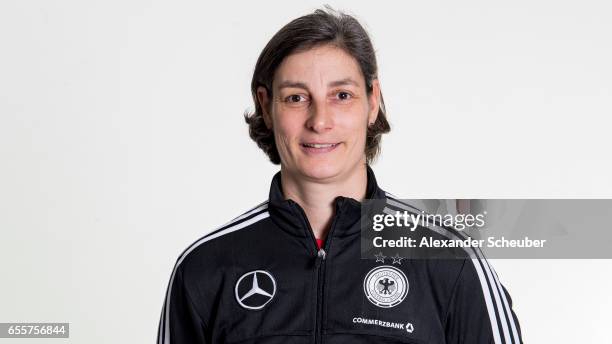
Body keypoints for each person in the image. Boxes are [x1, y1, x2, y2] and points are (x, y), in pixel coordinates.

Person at [157, 7, 522, 344]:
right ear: (267, 107)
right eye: (297, 98)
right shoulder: (205, 268)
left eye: (342, 95)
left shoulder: (449, 261)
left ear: (372, 100)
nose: (320, 121)